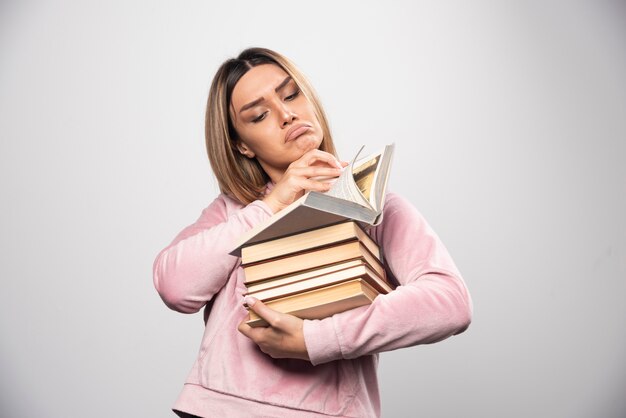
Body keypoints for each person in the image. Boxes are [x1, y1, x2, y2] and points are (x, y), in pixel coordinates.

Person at [153, 47, 473, 418]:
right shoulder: (234, 211)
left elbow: (451, 302)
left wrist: (315, 340)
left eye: (291, 94)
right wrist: (274, 204)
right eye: (259, 115)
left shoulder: (373, 203)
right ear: (241, 145)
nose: (287, 114)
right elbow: (175, 287)